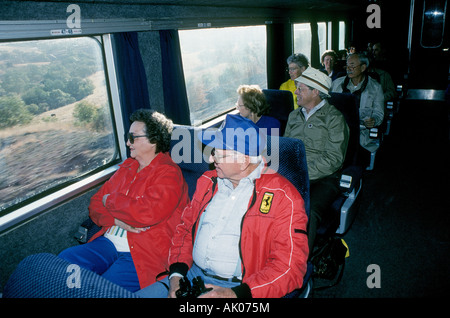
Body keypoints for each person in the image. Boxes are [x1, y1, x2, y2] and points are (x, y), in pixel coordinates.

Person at [137, 114, 309, 298]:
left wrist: (236, 294)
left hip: (241, 287)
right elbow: (185, 230)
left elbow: (290, 267)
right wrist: (176, 275)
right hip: (191, 276)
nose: (211, 160)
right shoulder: (207, 182)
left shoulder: (283, 197)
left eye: (218, 153)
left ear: (243, 161)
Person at [58, 109, 190, 292]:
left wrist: (110, 200)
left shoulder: (169, 173)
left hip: (142, 253)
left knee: (101, 290)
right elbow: (95, 204)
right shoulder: (127, 167)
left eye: (133, 137)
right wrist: (115, 220)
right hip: (107, 244)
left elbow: (145, 213)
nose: (128, 143)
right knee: (64, 263)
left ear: (153, 140)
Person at [284, 67, 349, 253]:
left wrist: (300, 173)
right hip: (294, 174)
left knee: (307, 212)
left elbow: (333, 159)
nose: (295, 92)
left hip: (324, 178)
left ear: (316, 92)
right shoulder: (293, 116)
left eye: (301, 89)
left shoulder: (334, 119)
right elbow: (285, 148)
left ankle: (300, 266)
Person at [331, 52, 384, 153]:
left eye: (352, 66)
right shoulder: (336, 84)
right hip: (337, 134)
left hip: (361, 137)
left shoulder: (375, 87)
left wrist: (374, 120)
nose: (348, 69)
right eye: (347, 66)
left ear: (363, 67)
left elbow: (379, 114)